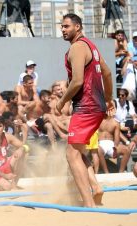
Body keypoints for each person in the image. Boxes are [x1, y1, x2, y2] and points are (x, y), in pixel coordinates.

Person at [56, 13, 114, 207]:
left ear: (78, 27)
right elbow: (107, 73)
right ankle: (96, 187)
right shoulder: (91, 46)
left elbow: (78, 81)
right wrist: (107, 98)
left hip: (86, 106)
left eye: (66, 26)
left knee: (71, 155)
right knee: (79, 151)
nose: (63, 30)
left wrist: (61, 101)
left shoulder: (77, 47)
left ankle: (89, 205)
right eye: (62, 26)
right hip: (96, 106)